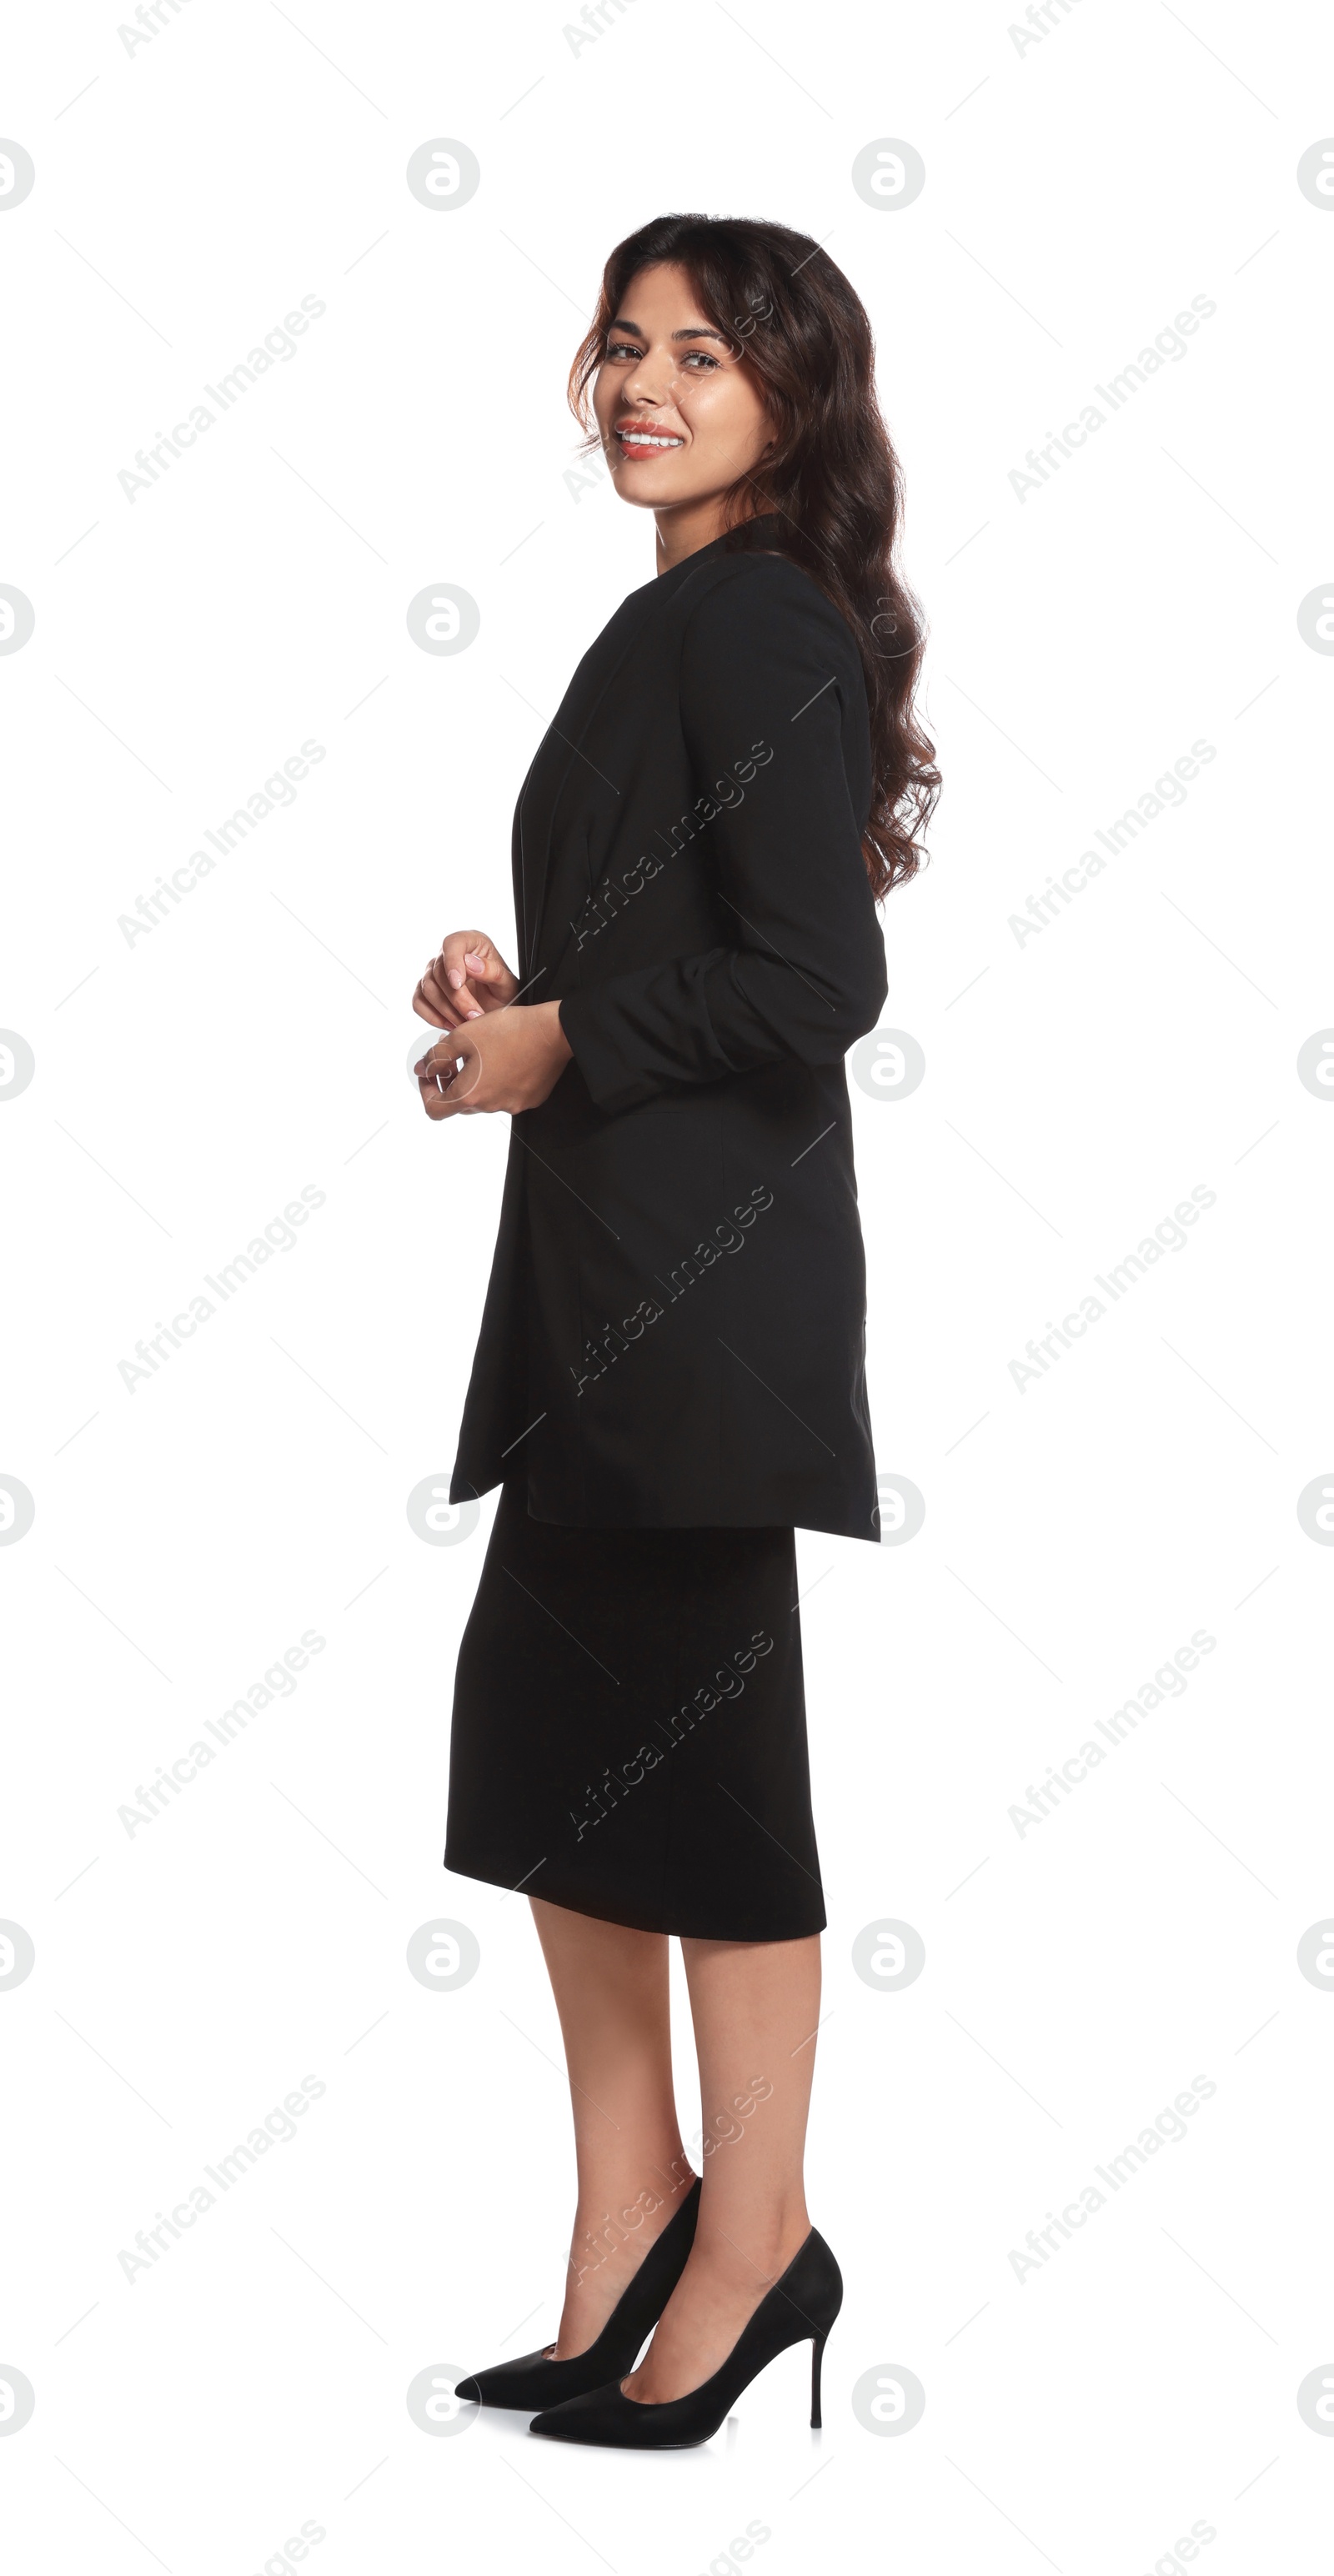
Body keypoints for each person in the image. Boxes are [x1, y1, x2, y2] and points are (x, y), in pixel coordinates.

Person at [411, 212, 938, 2450]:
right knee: (555, 1755)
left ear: (789, 394)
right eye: (623, 343)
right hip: (616, 1294)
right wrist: (515, 1004)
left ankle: (759, 2238)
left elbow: (828, 986)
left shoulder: (750, 620)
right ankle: (633, 2205)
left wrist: (568, 1041)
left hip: (693, 1321)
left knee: (705, 1791)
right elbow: (692, 949)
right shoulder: (683, 619)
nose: (643, 380)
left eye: (701, 352)